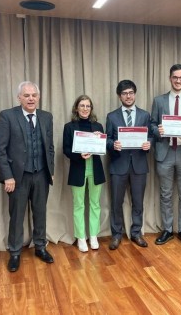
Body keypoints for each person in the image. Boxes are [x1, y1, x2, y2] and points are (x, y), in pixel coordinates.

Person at [0, 81, 55, 272]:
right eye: (26, 95)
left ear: (38, 97)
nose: (30, 98)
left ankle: (40, 246)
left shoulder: (46, 117)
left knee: (40, 213)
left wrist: (50, 170)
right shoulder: (7, 116)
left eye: (34, 95)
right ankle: (14, 252)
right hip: (17, 178)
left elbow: (50, 147)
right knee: (17, 216)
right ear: (19, 97)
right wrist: (8, 176)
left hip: (41, 175)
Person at [150, 64, 181, 246]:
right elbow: (152, 124)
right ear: (170, 78)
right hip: (165, 152)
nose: (178, 80)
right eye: (175, 77)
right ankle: (168, 229)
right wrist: (158, 130)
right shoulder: (159, 101)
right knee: (165, 194)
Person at [106, 80, 152, 250]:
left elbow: (150, 137)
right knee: (116, 202)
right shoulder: (112, 116)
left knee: (138, 202)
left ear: (135, 94)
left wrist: (149, 144)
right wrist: (113, 145)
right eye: (124, 93)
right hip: (118, 165)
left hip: (139, 165)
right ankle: (116, 235)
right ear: (119, 96)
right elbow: (107, 139)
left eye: (131, 92)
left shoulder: (144, 115)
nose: (128, 96)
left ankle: (136, 233)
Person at [63, 95, 105, 252]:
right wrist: (78, 155)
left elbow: (103, 149)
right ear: (76, 108)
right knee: (78, 205)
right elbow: (66, 150)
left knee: (95, 204)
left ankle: (93, 236)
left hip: (95, 170)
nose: (85, 109)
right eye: (82, 106)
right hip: (78, 170)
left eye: (88, 106)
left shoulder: (98, 126)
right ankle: (81, 237)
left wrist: (100, 141)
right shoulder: (69, 127)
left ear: (91, 108)